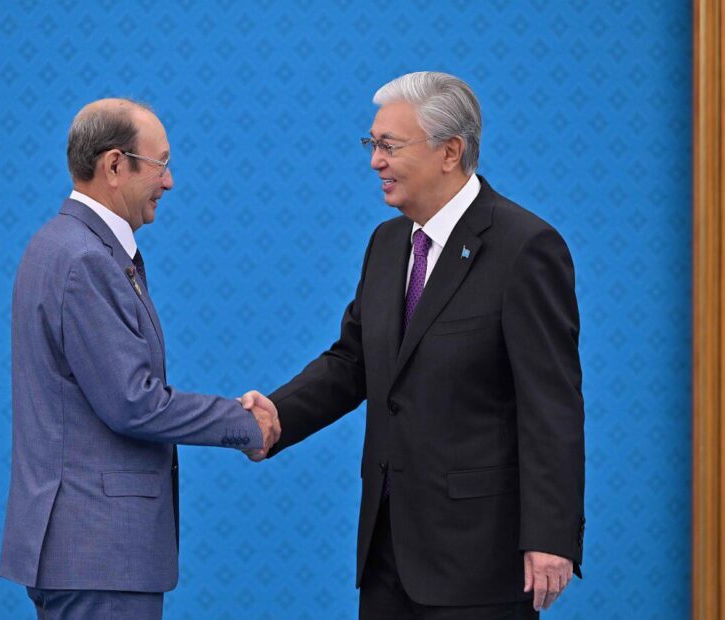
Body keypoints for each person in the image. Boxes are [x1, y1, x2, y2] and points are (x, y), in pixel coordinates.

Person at [242, 72, 585, 619]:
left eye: (389, 145)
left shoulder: (524, 247)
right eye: (371, 143)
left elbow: (551, 405)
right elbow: (352, 362)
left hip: (481, 558)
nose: (374, 161)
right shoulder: (387, 243)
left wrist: (551, 536)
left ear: (450, 151)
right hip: (388, 553)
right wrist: (276, 416)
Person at [0, 98, 280, 620]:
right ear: (113, 165)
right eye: (160, 164)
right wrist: (244, 424)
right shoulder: (86, 259)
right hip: (98, 553)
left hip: (82, 551)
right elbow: (134, 403)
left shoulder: (57, 245)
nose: (168, 182)